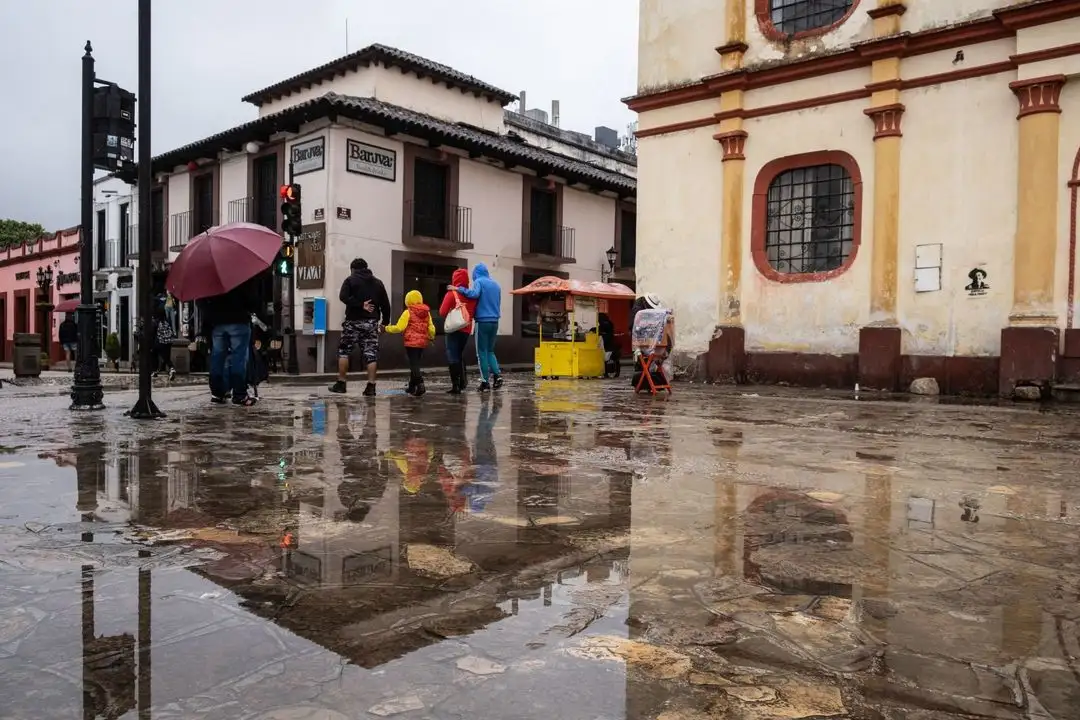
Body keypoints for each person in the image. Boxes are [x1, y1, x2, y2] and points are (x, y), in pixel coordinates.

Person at [330, 258, 391, 396]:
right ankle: (371, 386)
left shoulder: (350, 280)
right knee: (371, 354)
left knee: (344, 351)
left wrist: (358, 304)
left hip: (353, 321)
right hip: (371, 323)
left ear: (352, 269)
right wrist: (384, 323)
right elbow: (386, 305)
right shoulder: (378, 283)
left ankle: (341, 383)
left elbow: (343, 296)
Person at [199, 275, 260, 406]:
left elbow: (203, 301)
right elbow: (252, 300)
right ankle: (239, 394)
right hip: (238, 320)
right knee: (239, 357)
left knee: (218, 357)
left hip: (218, 322)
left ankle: (217, 393)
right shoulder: (242, 275)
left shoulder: (212, 277)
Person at [454, 263, 503, 392]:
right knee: (490, 351)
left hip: (482, 322)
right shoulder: (496, 285)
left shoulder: (479, 282)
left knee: (481, 352)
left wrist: (459, 289)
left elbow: (474, 294)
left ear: (476, 273)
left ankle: (485, 382)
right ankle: (497, 376)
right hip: (495, 321)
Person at [384, 289, 436, 396]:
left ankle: (420, 384)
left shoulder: (408, 312)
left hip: (411, 343)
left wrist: (386, 329)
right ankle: (412, 386)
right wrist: (431, 337)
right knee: (416, 363)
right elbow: (431, 328)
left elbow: (399, 327)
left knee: (414, 364)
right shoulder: (427, 313)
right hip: (422, 342)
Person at [439, 268, 477, 395]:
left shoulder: (451, 294)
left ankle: (456, 386)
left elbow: (442, 312)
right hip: (466, 329)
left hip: (453, 329)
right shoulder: (472, 295)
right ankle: (462, 382)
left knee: (452, 355)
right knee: (459, 354)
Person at [152, 306, 176, 381]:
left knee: (153, 353)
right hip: (168, 342)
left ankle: (155, 370)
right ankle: (171, 369)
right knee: (166, 357)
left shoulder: (156, 322)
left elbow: (153, 333)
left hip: (160, 342)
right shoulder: (167, 321)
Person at [597, 312, 620, 378]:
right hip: (612, 346)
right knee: (615, 359)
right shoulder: (610, 323)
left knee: (605, 360)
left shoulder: (602, 325)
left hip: (607, 346)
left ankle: (606, 373)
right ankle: (616, 373)